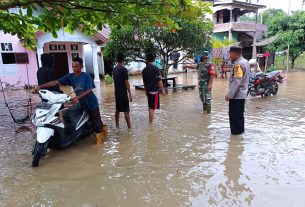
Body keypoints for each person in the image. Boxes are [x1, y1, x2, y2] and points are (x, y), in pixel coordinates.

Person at [33, 57, 105, 143]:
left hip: (91, 103)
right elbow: (56, 82)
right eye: (73, 66)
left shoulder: (86, 75)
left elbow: (89, 90)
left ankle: (100, 143)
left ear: (82, 66)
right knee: (66, 113)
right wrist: (40, 87)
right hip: (80, 103)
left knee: (96, 123)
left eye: (76, 67)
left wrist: (77, 97)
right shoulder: (70, 76)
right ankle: (71, 133)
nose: (74, 69)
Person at [225, 46, 250, 135]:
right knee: (239, 116)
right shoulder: (246, 62)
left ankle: (235, 139)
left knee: (234, 117)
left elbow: (236, 81)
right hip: (242, 95)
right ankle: (240, 137)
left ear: (235, 54)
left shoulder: (238, 65)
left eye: (231, 54)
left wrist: (229, 95)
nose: (230, 56)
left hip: (236, 96)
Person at [142, 53, 165, 124]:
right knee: (152, 108)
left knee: (150, 106)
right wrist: (163, 89)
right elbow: (159, 80)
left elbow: (144, 82)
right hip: (154, 91)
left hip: (148, 91)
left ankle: (150, 122)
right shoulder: (156, 68)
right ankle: (151, 123)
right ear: (153, 60)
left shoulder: (144, 70)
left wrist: (146, 90)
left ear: (146, 60)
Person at [113, 53, 132, 129]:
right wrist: (130, 94)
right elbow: (126, 82)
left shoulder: (114, 69)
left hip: (117, 93)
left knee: (117, 110)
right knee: (126, 111)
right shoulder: (124, 69)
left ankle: (117, 126)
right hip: (123, 94)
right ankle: (129, 127)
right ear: (123, 60)